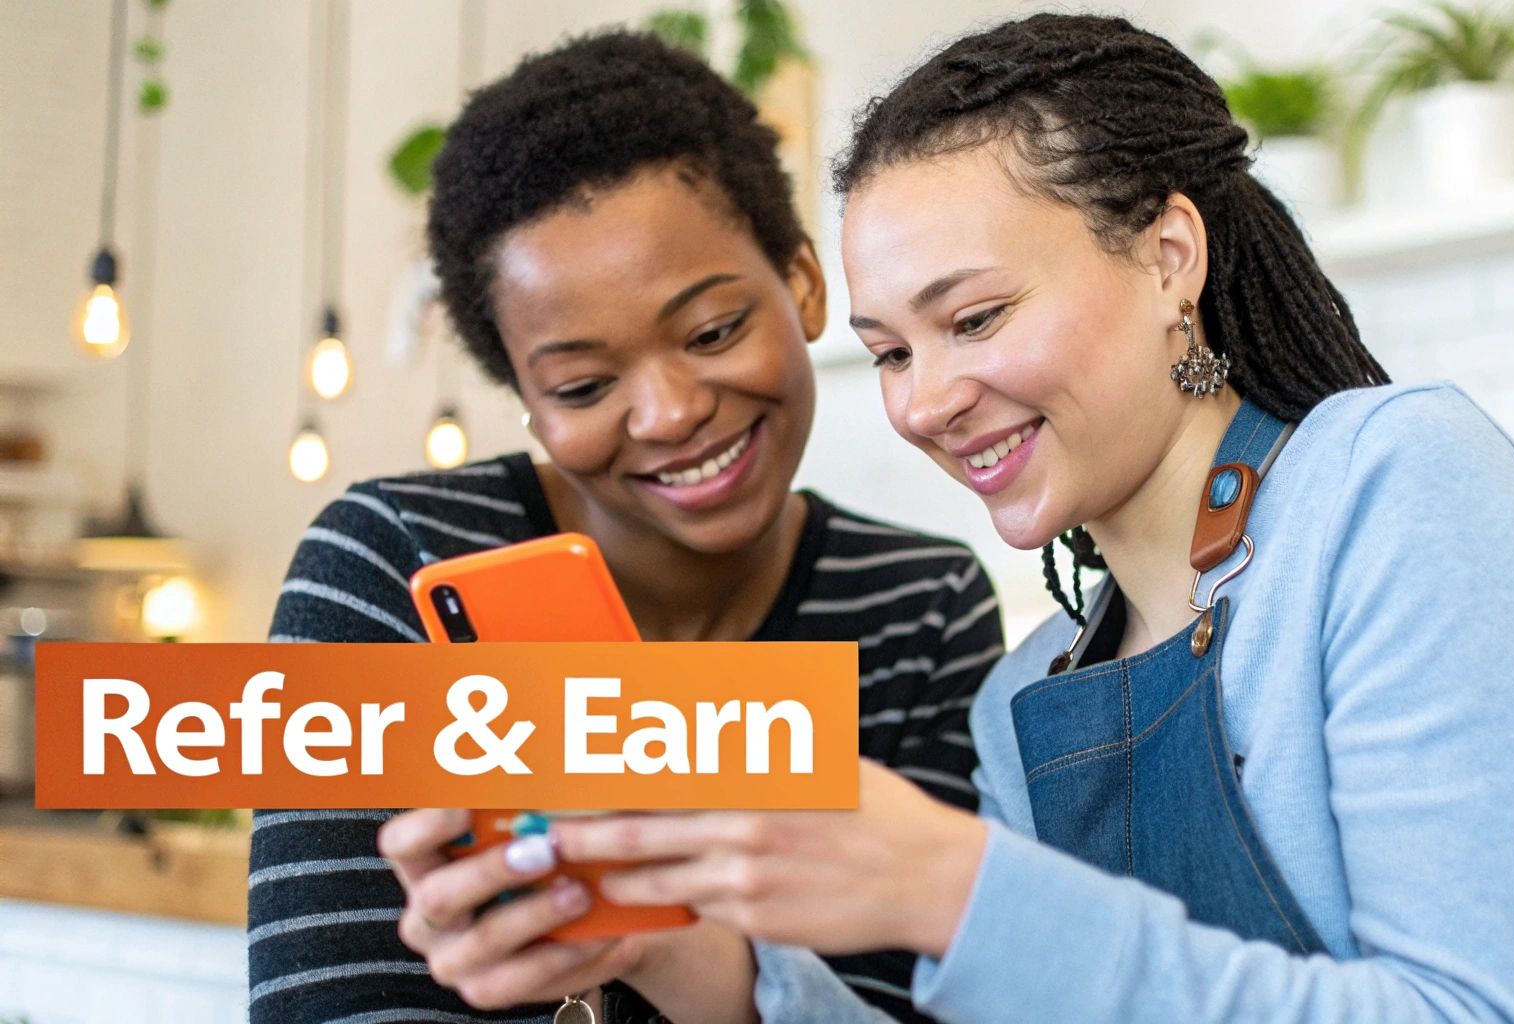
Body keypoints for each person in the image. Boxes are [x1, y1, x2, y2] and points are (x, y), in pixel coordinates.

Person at [533, 14, 1514, 1022]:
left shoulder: (1395, 485)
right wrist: (684, 957)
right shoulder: (1026, 700)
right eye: (889, 351)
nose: (923, 401)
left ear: (1166, 256)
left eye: (974, 317)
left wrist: (957, 888)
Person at [248, 31, 1003, 1024]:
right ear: (526, 396)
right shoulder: (393, 560)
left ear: (804, 285)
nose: (668, 411)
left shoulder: (920, 609)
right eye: (583, 385)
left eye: (712, 330)